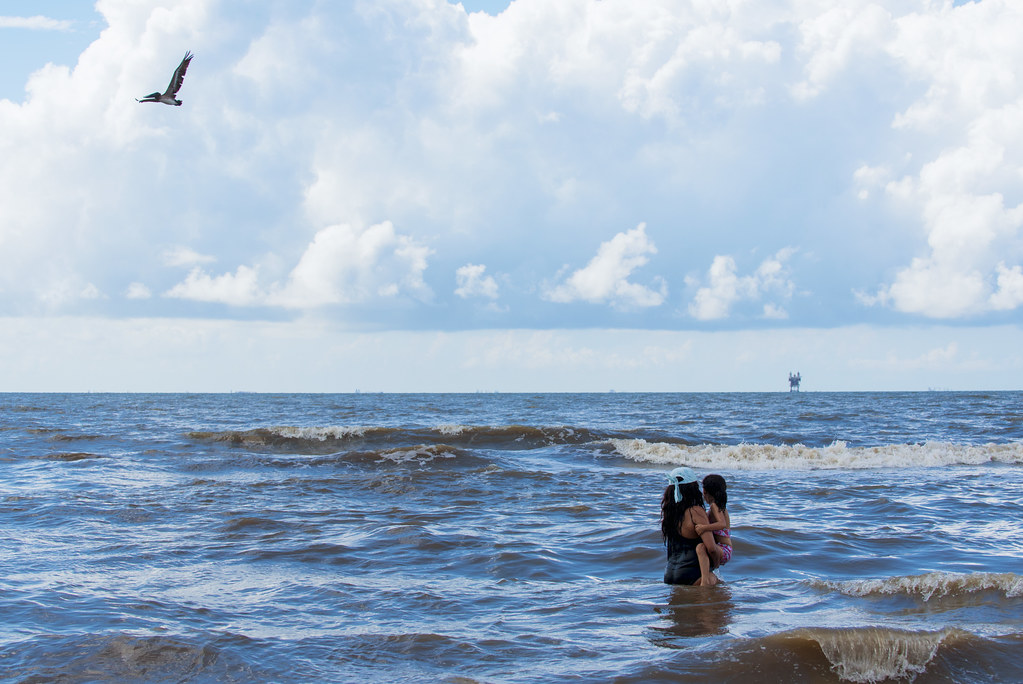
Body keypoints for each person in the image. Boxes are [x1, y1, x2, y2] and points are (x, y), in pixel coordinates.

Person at [661, 466, 719, 586]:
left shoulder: (669, 513)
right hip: (692, 574)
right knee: (722, 593)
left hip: (670, 574)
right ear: (693, 488)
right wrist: (717, 562)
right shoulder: (696, 511)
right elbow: (712, 548)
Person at [694, 474, 732, 587]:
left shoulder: (715, 506)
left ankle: (705, 582)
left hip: (724, 549)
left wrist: (704, 528)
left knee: (701, 548)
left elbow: (722, 524)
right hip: (722, 548)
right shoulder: (719, 506)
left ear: (705, 491)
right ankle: (714, 577)